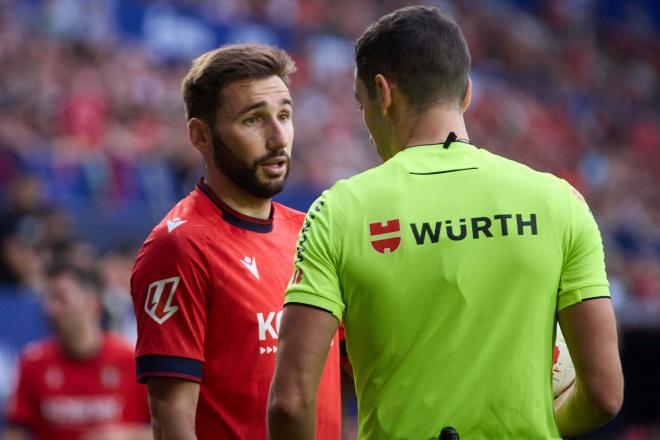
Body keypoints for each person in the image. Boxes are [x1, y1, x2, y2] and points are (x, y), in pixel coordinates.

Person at [268, 6, 623, 440]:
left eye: (362, 105)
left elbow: (291, 401)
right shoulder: (560, 202)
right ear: (467, 94)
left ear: (383, 93)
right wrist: (547, 425)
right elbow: (605, 393)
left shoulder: (337, 211)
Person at [129, 43, 341, 439]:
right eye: (253, 120)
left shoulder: (310, 233)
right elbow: (172, 423)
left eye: (284, 115)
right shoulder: (178, 248)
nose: (278, 138)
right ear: (201, 136)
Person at [4, 260, 151, 440]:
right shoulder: (33, 363)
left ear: (92, 303)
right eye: (48, 299)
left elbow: (166, 430)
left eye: (61, 299)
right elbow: (15, 433)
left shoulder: (131, 361)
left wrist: (127, 437)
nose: (50, 309)